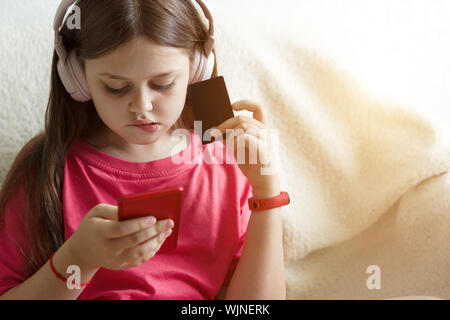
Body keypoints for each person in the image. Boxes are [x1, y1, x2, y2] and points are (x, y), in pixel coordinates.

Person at [0, 0, 286, 300]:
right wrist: (78, 259)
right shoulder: (47, 167)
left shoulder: (228, 163)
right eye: (116, 87)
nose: (142, 107)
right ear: (77, 79)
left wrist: (266, 193)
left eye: (163, 84)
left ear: (197, 69)